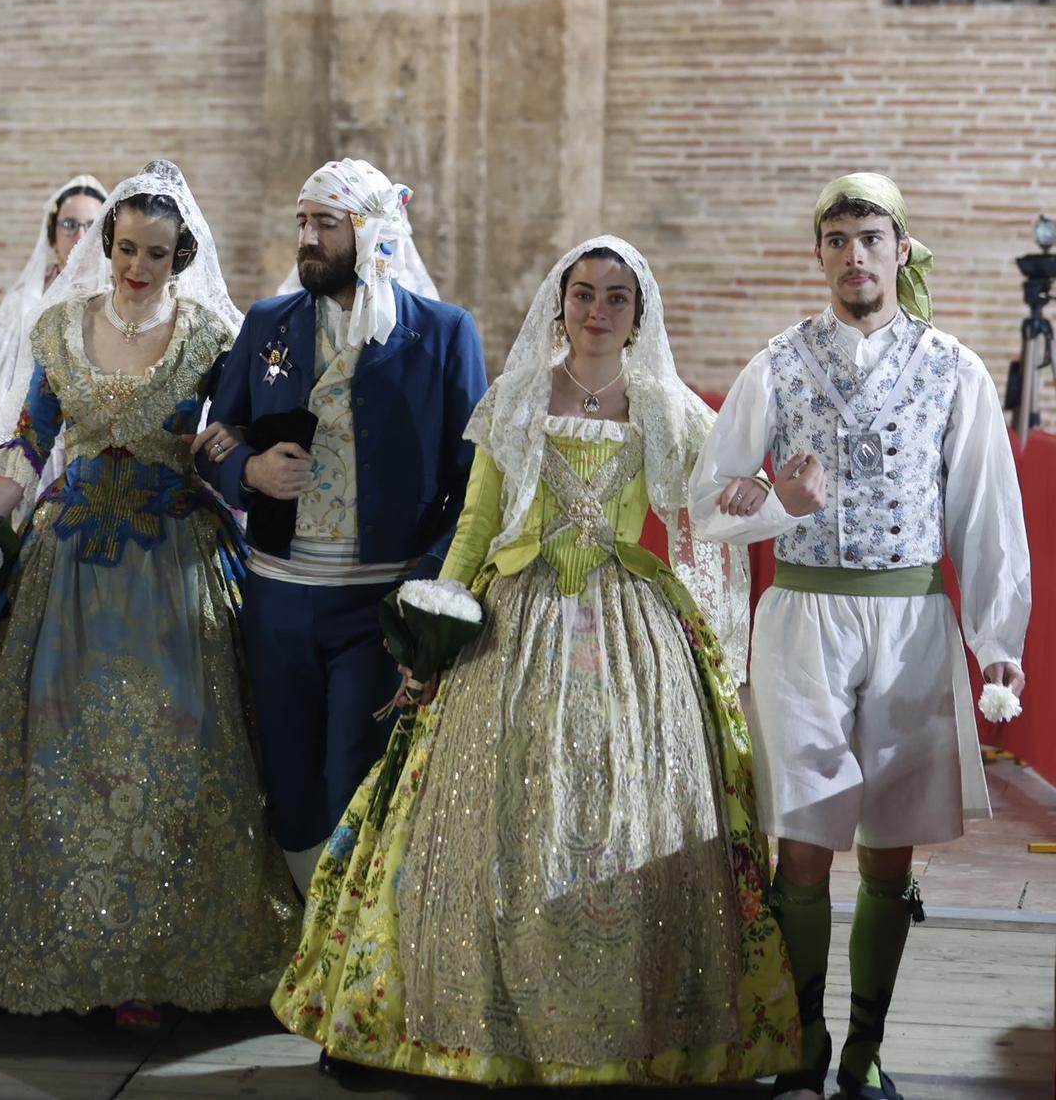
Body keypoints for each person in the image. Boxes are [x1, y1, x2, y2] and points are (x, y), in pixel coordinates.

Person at [272, 235, 800, 1086]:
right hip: (514, 623)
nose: (596, 309)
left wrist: (776, 497)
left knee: (624, 804)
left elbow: (719, 504)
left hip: (632, 629)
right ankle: (463, 1020)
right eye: (583, 292)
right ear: (561, 304)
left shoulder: (668, 408)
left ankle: (640, 1026)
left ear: (638, 314)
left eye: (615, 297)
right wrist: (433, 625)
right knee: (492, 805)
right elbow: (478, 525)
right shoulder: (517, 397)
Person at [0, 159, 298, 1027]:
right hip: (64, 565)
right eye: (126, 246)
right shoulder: (61, 327)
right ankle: (50, 946)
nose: (138, 265)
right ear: (104, 244)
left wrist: (239, 450)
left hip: (173, 566)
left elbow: (231, 443)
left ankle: (159, 959)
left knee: (175, 751)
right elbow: (27, 448)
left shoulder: (212, 336)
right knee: (49, 749)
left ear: (182, 256)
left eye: (157, 251)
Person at [690, 174, 1031, 1100]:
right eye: (837, 238)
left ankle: (864, 1051)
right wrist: (776, 505)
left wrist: (998, 636)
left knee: (889, 849)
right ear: (820, 255)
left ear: (901, 249)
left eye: (871, 237)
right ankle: (803, 1042)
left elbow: (988, 516)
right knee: (801, 842)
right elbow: (705, 504)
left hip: (914, 620)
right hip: (802, 617)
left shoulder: (952, 367)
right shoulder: (778, 363)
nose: (854, 255)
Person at [194, 159, 484, 896]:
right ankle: (302, 943)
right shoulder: (267, 325)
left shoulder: (443, 335)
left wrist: (429, 587)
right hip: (277, 598)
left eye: (326, 223)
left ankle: (341, 963)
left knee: (349, 780)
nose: (308, 239)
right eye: (302, 222)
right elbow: (215, 435)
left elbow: (474, 478)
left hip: (378, 604)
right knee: (288, 785)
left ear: (369, 230)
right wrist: (248, 473)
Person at [0, 175, 107, 504]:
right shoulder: (25, 300)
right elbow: (3, 376)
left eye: (91, 225)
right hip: (33, 430)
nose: (80, 236)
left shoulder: (116, 297)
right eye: (69, 224)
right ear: (53, 231)